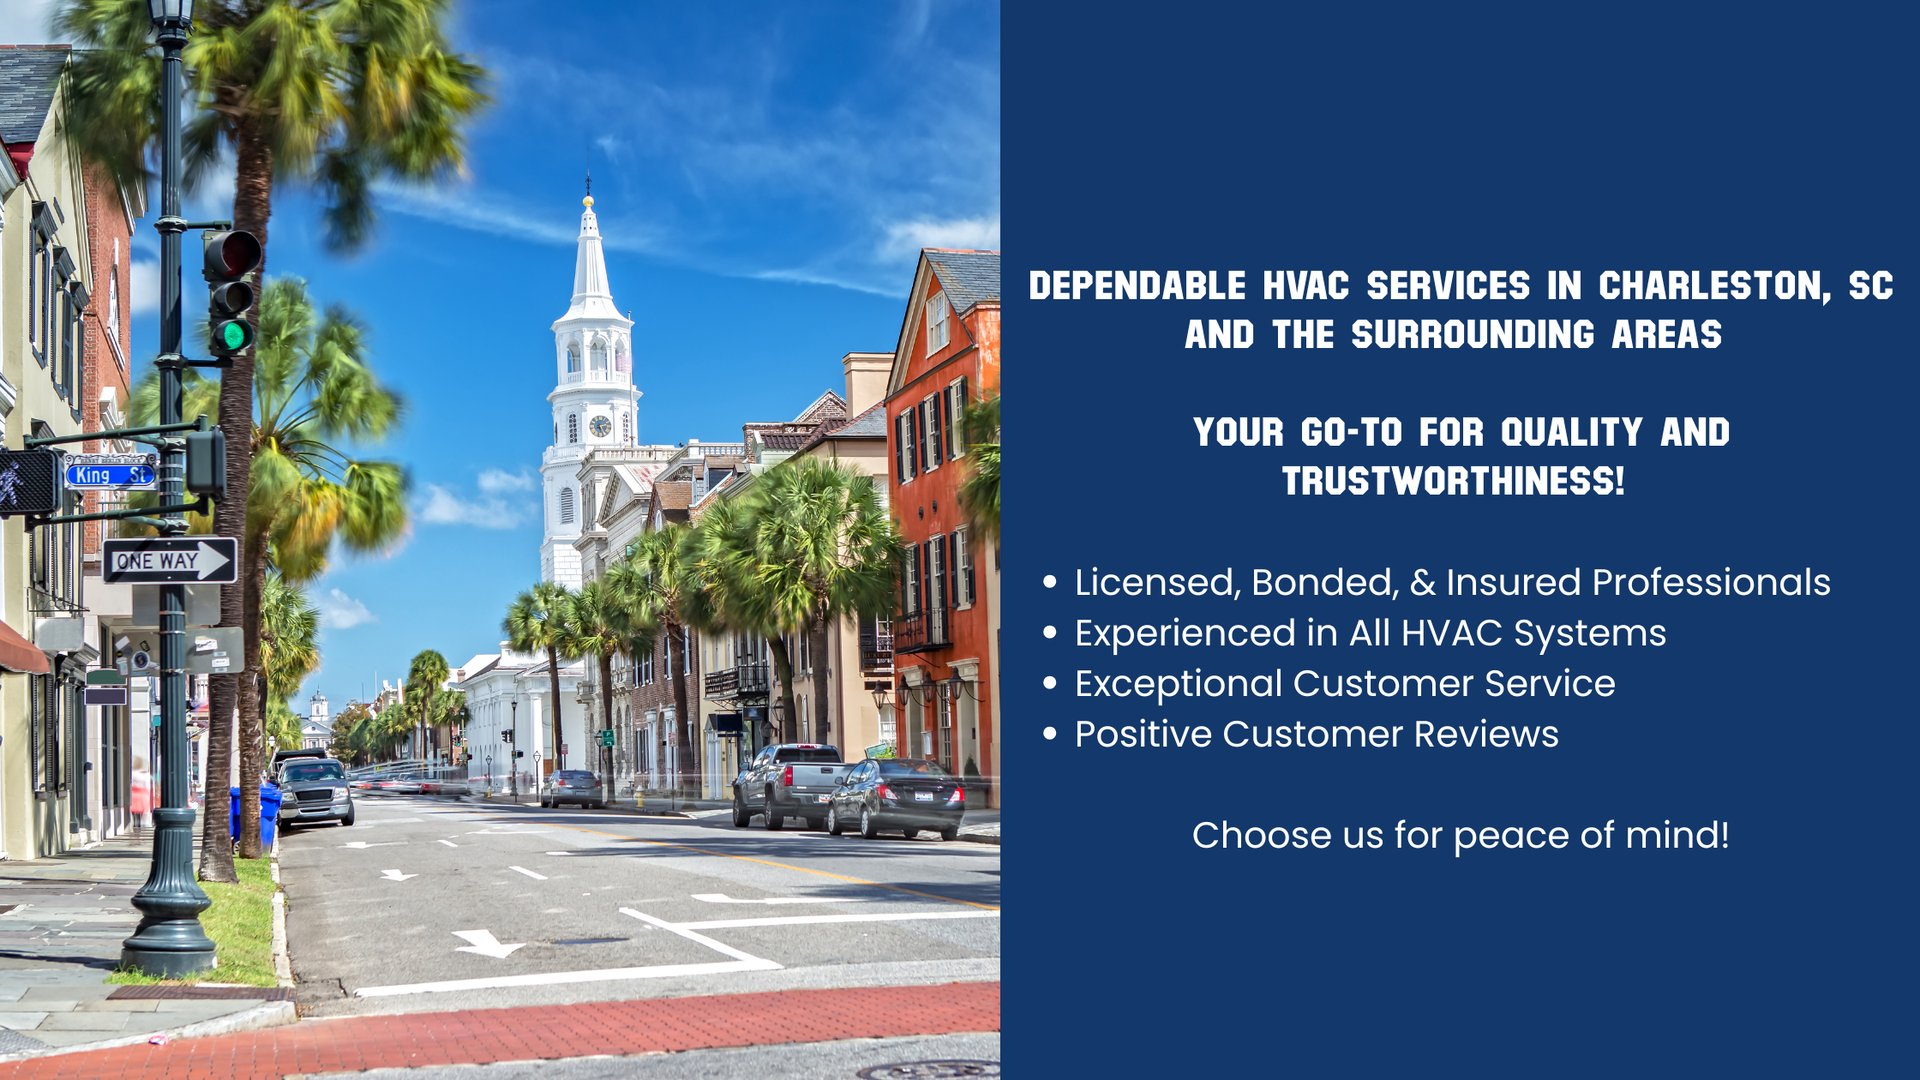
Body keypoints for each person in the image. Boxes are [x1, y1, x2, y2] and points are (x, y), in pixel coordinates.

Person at [129, 758, 154, 831]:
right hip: (143, 795)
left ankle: (135, 825)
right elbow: (147, 786)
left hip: (133, 794)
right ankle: (139, 826)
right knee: (142, 813)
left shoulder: (132, 773)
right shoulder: (146, 775)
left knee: (134, 812)